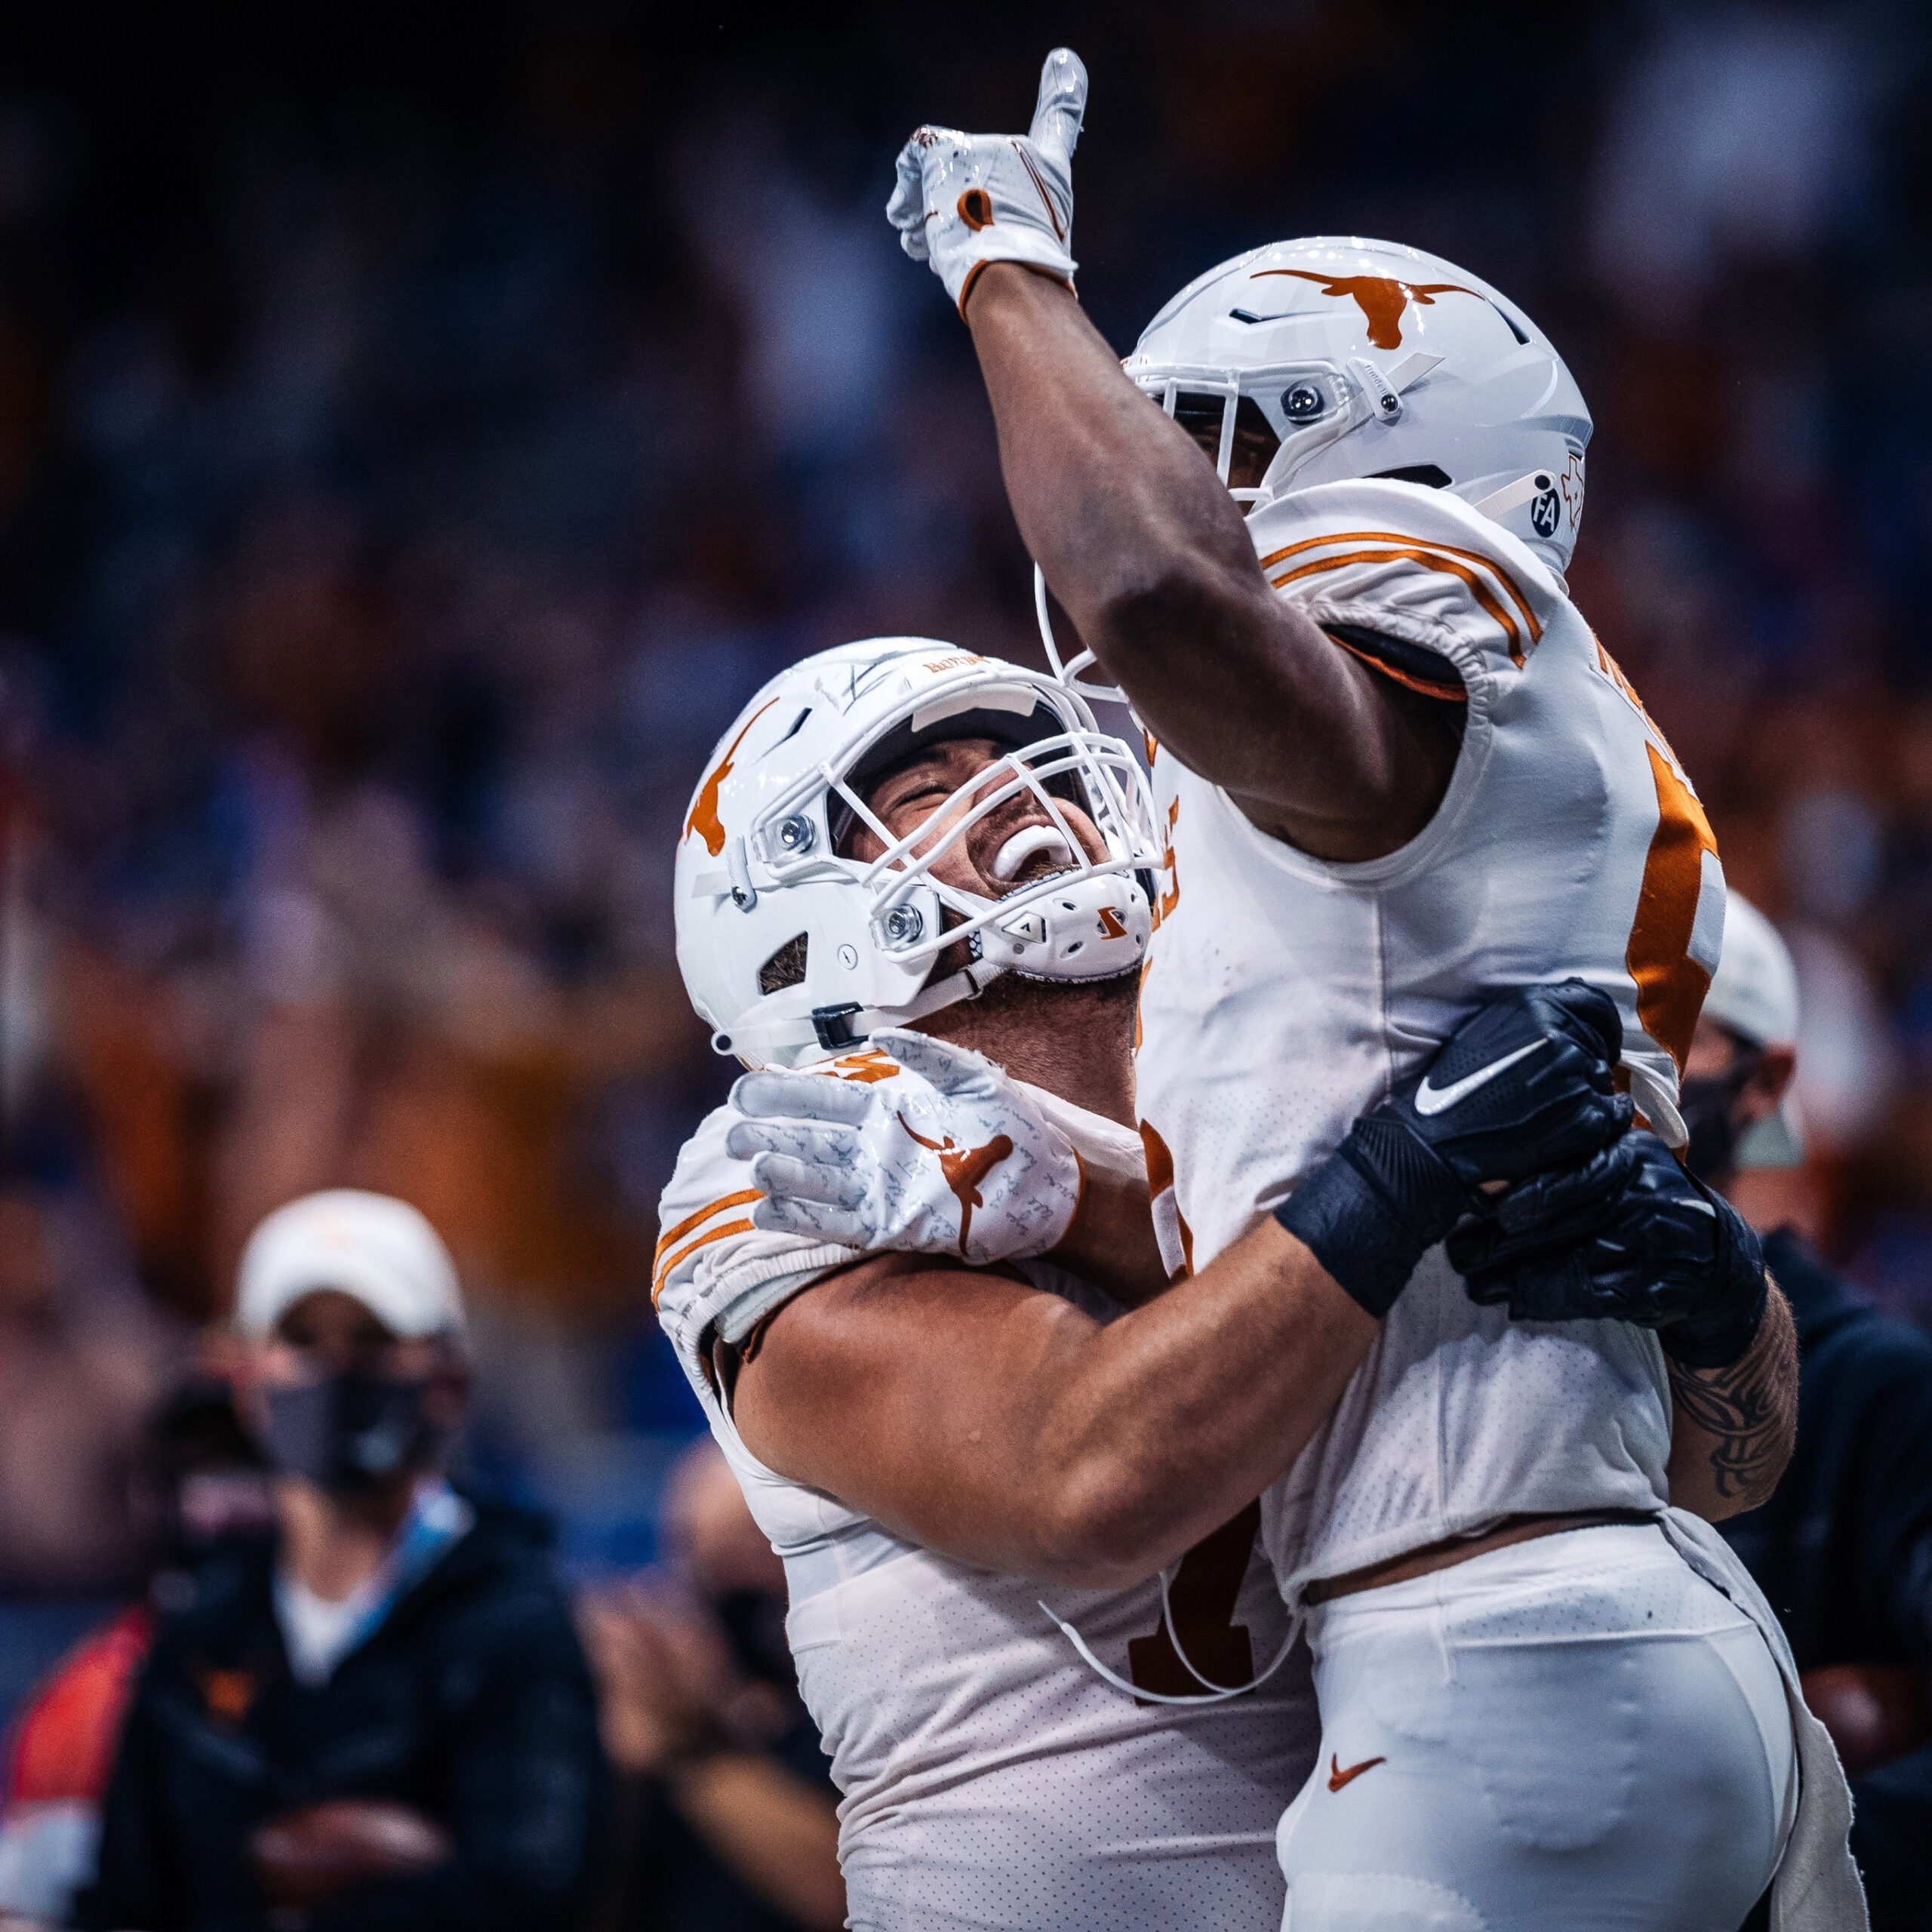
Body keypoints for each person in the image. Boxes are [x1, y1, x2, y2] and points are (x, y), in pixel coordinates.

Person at [824, 48, 1862, 1929]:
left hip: (1491, 1658)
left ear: (1386, 454)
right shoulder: (1451, 813)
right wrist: (1037, 1174)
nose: (1169, 479)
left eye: (1214, 439)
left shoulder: (1424, 610)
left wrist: (1000, 264)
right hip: (1611, 1620)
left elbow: (1150, 584)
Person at [657, 637, 1795, 1930]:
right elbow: (1087, 1478)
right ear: (788, 927)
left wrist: (1723, 1299)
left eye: (1040, 764)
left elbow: (1725, 1476)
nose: (1028, 794)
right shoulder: (797, 1153)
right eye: (932, 787)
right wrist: (1401, 1174)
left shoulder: (1266, 1077)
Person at [82, 1189, 605, 1932]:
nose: (336, 1371)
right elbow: (127, 1895)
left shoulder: (516, 1622)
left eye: (372, 1340)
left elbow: (529, 1894)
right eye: (301, 1339)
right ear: (248, 1382)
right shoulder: (202, 1625)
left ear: (447, 1381)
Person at [1694, 897, 1932, 1931]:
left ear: (1764, 1083)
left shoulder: (1878, 1388)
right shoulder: (1501, 1367)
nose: (1621, 1071)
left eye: (1671, 1027)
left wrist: (1798, 1863)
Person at [0, 1375, 275, 1929]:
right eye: (200, 1469)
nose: (227, 1498)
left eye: (253, 1469)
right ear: (150, 1496)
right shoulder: (89, 1704)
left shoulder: (393, 1662)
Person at [583, 1439, 843, 1932]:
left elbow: (846, 1896)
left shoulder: (860, 1699)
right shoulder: (652, 1696)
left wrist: (686, 1747)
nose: (722, 1588)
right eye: (693, 1555)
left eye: (753, 1545)